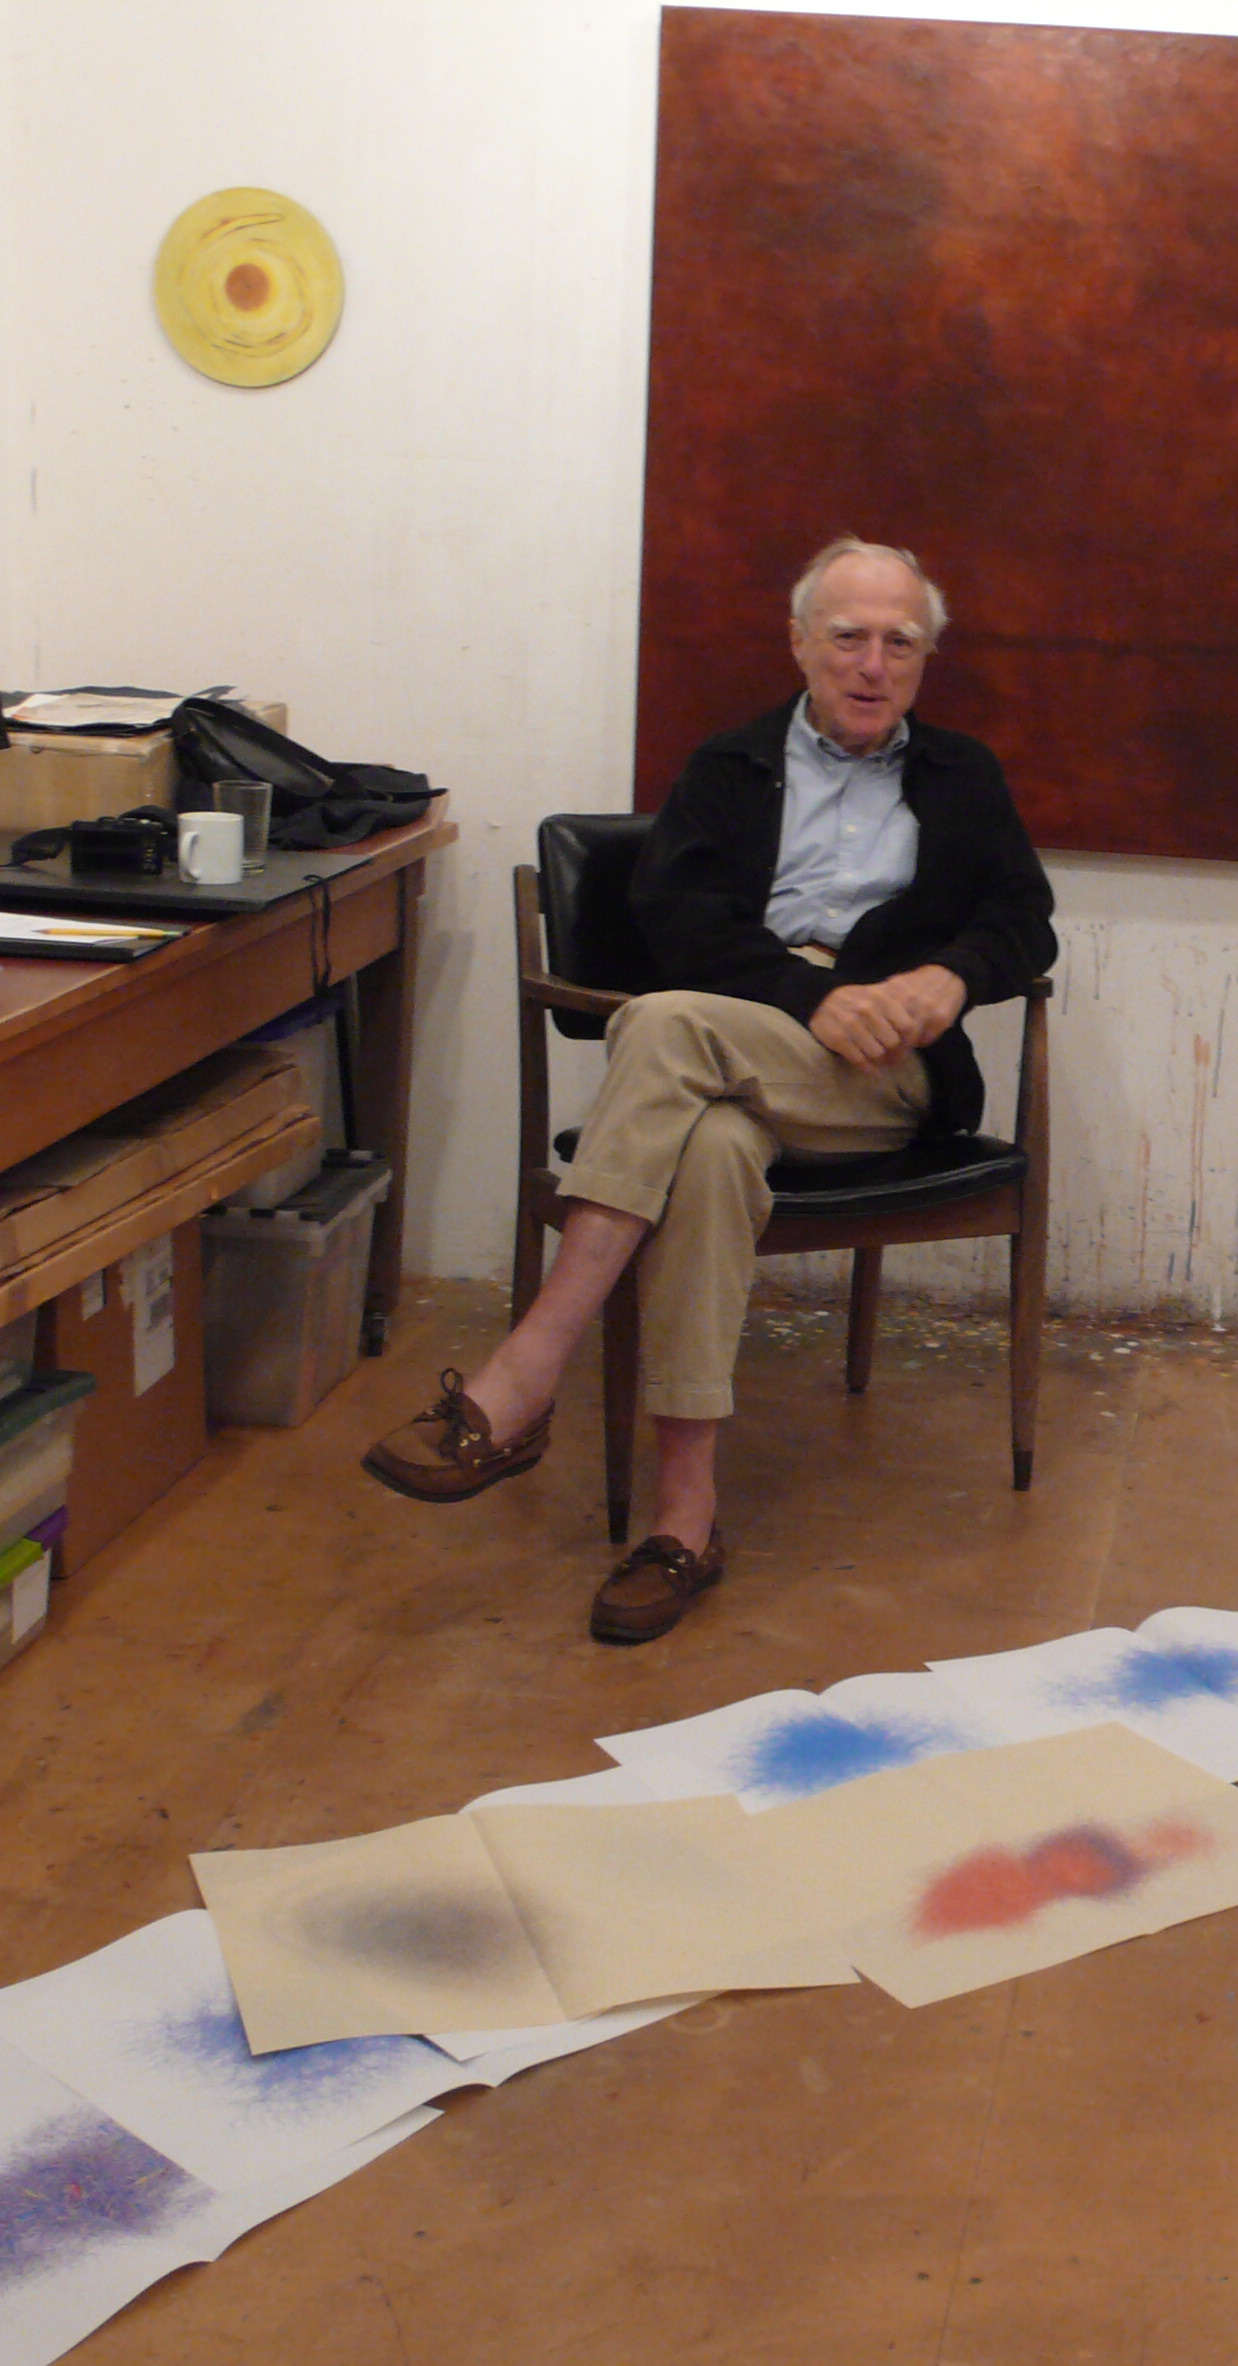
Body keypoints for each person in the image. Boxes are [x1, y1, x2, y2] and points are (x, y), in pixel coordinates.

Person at [362, 537, 1056, 1643]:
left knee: (663, 1023)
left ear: (925, 659)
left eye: (899, 642)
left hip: (885, 1072)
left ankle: (529, 1368)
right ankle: (686, 1523)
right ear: (798, 644)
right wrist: (800, 995)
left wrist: (946, 976)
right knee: (713, 1145)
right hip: (747, 1033)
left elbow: (1026, 921)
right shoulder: (728, 768)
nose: (873, 663)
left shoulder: (962, 776)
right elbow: (674, 921)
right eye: (848, 637)